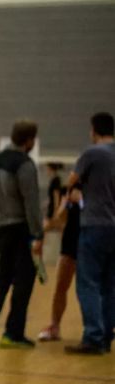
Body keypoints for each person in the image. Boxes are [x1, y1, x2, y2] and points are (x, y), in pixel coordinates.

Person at [0, 120, 43, 349]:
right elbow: (31, 203)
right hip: (20, 228)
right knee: (23, 280)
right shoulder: (25, 165)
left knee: (3, 274)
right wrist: (37, 233)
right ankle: (12, 333)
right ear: (30, 140)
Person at [65, 112, 115, 355]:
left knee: (88, 283)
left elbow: (71, 181)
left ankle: (93, 336)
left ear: (94, 130)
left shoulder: (93, 153)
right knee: (110, 285)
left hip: (95, 225)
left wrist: (77, 195)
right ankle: (106, 336)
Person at [37, 184, 81, 342]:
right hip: (69, 246)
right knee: (61, 287)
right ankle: (54, 327)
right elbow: (60, 217)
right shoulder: (70, 189)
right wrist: (66, 203)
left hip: (90, 245)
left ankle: (96, 329)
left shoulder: (99, 189)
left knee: (90, 290)